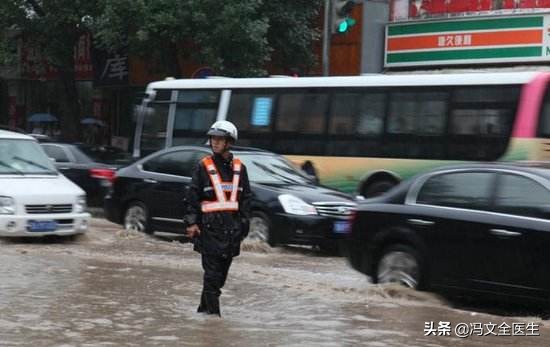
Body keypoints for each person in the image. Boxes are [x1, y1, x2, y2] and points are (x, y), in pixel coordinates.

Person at [184, 120, 252, 317]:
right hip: (209, 231)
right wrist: (192, 222)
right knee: (212, 278)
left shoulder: (241, 169)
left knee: (219, 279)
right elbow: (192, 197)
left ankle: (203, 311)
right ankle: (214, 321)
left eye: (219, 139)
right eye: (213, 138)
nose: (215, 142)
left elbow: (246, 198)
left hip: (232, 232)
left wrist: (244, 224)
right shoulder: (203, 167)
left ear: (229, 142)